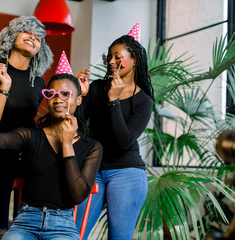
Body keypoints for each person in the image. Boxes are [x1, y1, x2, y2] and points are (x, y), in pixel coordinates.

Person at [0, 69, 103, 240]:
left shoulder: (92, 147)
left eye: (65, 94)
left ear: (78, 99)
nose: (58, 99)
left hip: (62, 224)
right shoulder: (31, 135)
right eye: (52, 94)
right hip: (26, 220)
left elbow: (78, 195)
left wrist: (67, 143)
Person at [0, 16, 53, 239]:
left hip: (29, 155)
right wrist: (4, 88)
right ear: (10, 37)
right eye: (26, 31)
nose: (33, 38)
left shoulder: (39, 83)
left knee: (25, 226)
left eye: (38, 38)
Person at [75, 34, 154, 240]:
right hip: (93, 169)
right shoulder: (96, 89)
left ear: (134, 60)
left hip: (127, 172)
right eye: (109, 56)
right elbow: (76, 127)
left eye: (117, 56)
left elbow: (123, 141)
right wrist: (80, 97)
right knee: (74, 232)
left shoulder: (144, 101)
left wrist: (113, 100)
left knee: (119, 237)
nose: (111, 61)